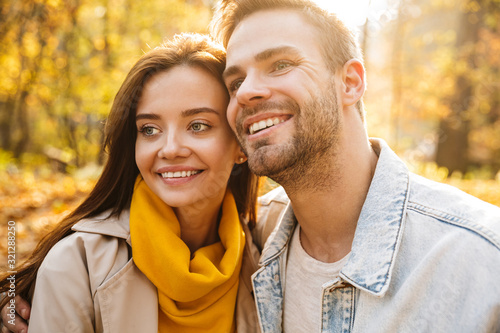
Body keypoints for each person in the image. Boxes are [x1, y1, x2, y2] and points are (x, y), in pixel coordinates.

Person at [207, 0, 500, 332]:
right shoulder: (244, 239)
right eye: (235, 83)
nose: (246, 93)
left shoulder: (484, 261)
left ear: (350, 82)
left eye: (280, 64)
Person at [0, 32, 269, 333]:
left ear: (241, 145)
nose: (169, 149)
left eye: (198, 125)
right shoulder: (75, 266)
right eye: (150, 129)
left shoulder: (271, 254)